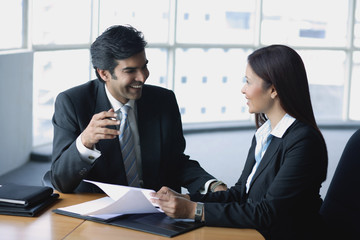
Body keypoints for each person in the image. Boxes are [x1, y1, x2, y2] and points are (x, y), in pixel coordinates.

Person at [151, 45, 328, 240]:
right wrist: (186, 199)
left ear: (273, 89)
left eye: (248, 82)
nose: (243, 89)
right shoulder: (265, 133)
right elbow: (240, 194)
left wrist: (194, 210)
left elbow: (268, 213)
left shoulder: (304, 142)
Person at [50, 25, 227, 194]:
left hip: (156, 211)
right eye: (130, 71)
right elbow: (60, 181)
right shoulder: (72, 103)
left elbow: (175, 162)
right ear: (104, 74)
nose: (142, 77)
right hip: (101, 213)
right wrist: (85, 141)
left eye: (144, 66)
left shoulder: (164, 100)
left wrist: (211, 185)